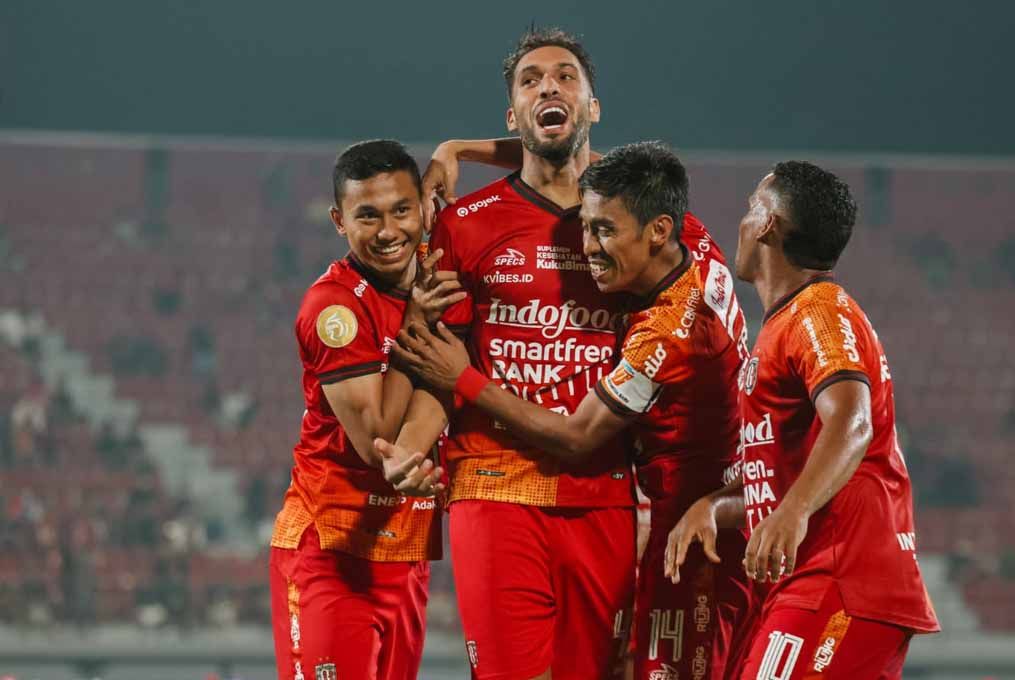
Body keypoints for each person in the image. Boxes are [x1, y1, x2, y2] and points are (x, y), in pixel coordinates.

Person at [382, 29, 725, 680]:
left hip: (605, 498)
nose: (549, 86)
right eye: (532, 80)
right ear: (513, 115)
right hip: (493, 490)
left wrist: (458, 148)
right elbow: (441, 365)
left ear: (593, 108)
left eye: (566, 77)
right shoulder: (465, 223)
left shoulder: (642, 225)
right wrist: (410, 446)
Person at [665, 161, 940, 679]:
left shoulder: (819, 312)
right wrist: (715, 508)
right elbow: (786, 475)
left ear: (768, 223)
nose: (743, 222)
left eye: (751, 208)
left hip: (842, 579)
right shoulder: (783, 326)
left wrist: (791, 515)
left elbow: (852, 424)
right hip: (810, 581)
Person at [267, 140, 461, 680]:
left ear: (424, 205)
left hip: (407, 554)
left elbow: (557, 159)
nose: (388, 231)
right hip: (333, 552)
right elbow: (376, 439)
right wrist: (416, 324)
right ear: (339, 221)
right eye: (367, 216)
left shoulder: (439, 271)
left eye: (402, 209)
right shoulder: (334, 309)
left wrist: (457, 148)